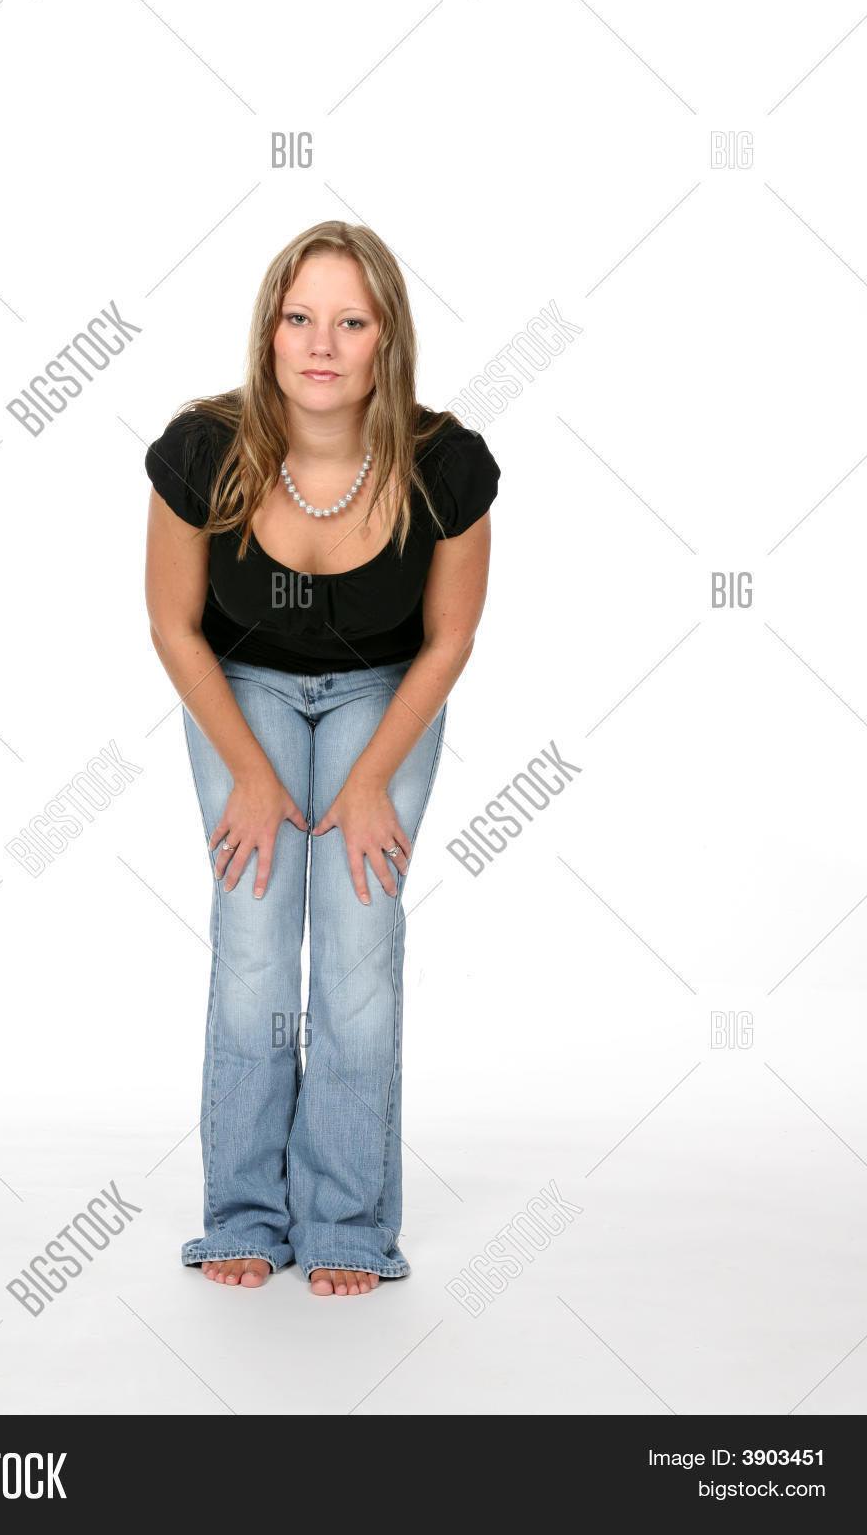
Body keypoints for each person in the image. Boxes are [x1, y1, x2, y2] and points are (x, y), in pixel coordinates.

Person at [144, 220, 499, 1295]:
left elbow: (447, 640)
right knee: (254, 932)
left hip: (386, 693)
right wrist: (251, 773)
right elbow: (173, 624)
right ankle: (245, 1213)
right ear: (268, 330)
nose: (321, 344)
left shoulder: (447, 466)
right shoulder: (202, 450)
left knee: (356, 936)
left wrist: (362, 784)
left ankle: (346, 1224)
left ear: (386, 339)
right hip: (239, 688)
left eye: (351, 321)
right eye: (300, 317)